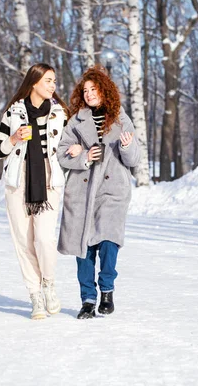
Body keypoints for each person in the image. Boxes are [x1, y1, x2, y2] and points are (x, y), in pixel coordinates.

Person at [0, 63, 78, 320]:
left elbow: (73, 142)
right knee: (24, 242)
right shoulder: (13, 112)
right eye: (49, 81)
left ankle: (49, 284)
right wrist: (14, 138)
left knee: (44, 239)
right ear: (34, 83)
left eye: (54, 81)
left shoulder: (61, 113)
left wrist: (75, 150)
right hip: (17, 183)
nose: (53, 85)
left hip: (49, 182)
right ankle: (35, 296)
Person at [57, 65, 141, 319]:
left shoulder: (120, 118)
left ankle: (107, 290)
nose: (90, 94)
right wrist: (82, 155)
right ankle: (87, 299)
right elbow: (62, 153)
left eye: (94, 89)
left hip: (112, 190)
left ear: (105, 91)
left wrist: (126, 147)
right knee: (83, 248)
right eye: (85, 90)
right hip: (82, 191)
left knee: (108, 241)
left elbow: (134, 158)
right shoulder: (76, 121)